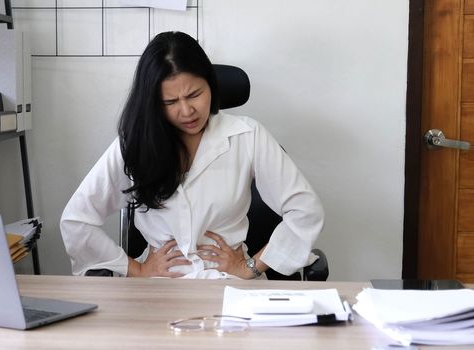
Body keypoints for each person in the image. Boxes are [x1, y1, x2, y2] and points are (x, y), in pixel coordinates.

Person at [60, 31, 324, 279]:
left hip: (230, 283)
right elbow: (76, 220)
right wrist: (136, 270)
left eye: (194, 94)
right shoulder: (135, 143)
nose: (186, 111)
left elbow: (305, 210)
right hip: (159, 288)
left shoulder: (247, 135)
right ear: (153, 103)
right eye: (170, 102)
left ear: (210, 84)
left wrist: (252, 267)